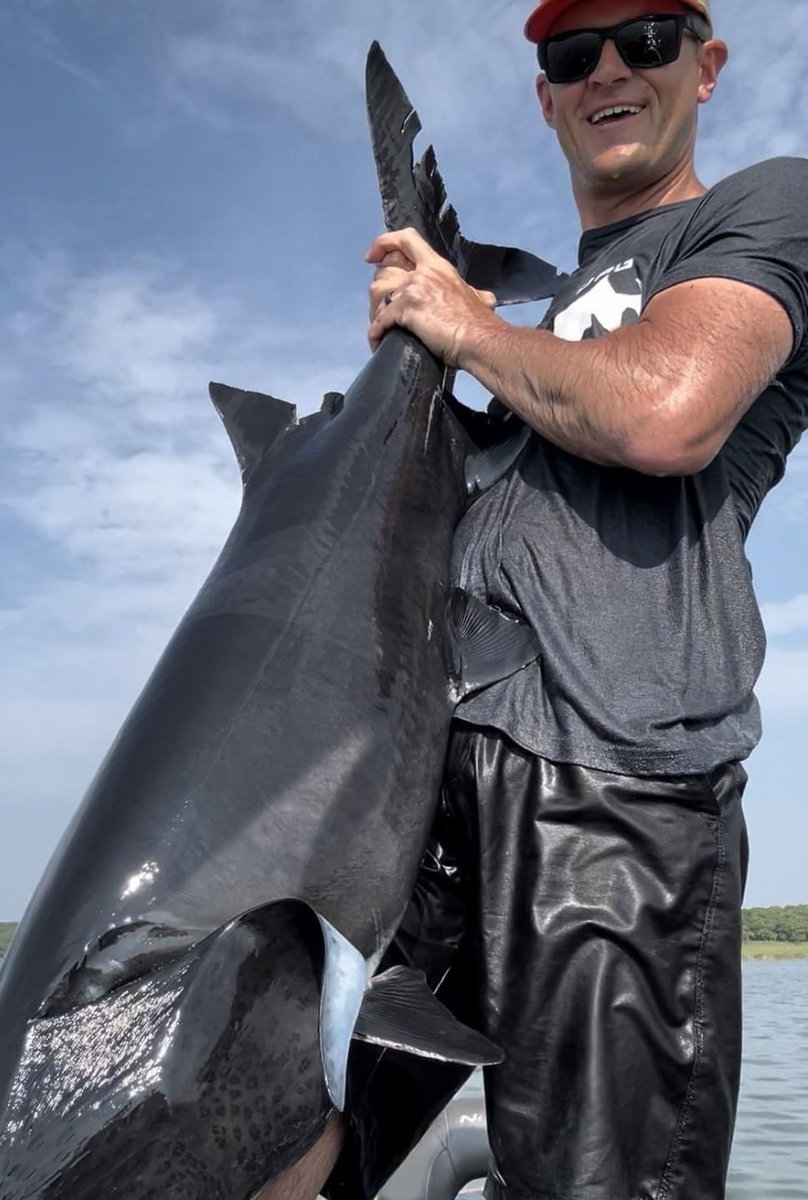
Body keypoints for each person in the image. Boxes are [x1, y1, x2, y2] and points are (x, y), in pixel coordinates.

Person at [257, 1, 808, 1198]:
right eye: (573, 54)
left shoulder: (761, 209)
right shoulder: (537, 334)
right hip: (416, 794)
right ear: (548, 95)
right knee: (268, 1130)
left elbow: (668, 411)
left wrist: (458, 323)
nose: (609, 68)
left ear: (704, 69)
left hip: (612, 796)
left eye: (647, 40)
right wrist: (426, 355)